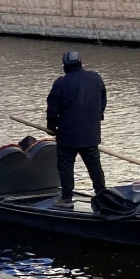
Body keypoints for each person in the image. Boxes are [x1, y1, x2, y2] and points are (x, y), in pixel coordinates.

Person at [46, 51, 107, 209]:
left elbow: (52, 109)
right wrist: (97, 117)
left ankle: (66, 198)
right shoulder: (96, 78)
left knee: (66, 166)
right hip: (91, 134)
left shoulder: (61, 84)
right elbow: (103, 101)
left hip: (68, 135)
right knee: (94, 166)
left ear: (65, 66)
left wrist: (51, 127)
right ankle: (102, 195)